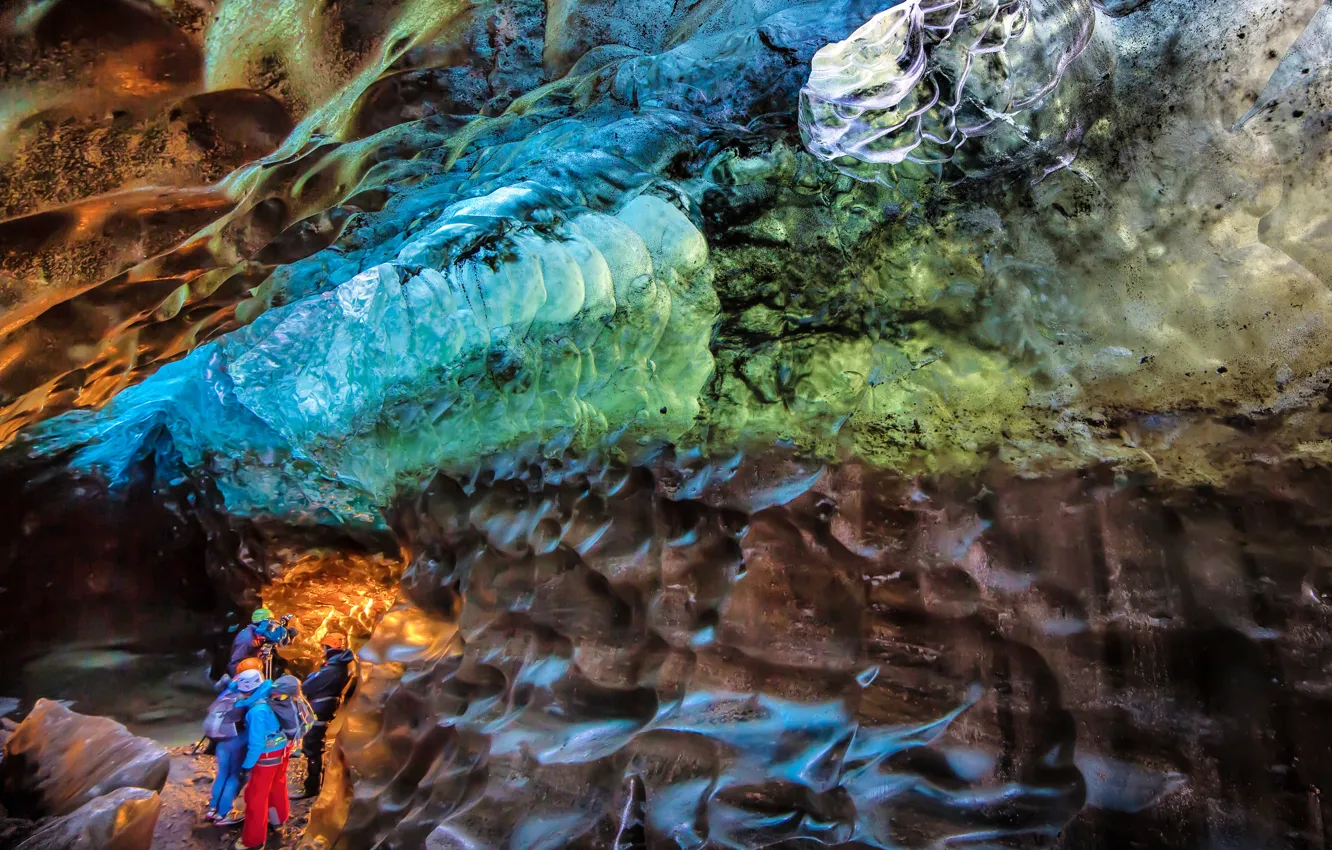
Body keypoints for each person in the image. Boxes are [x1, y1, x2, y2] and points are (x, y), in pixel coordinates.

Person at [292, 633, 356, 800]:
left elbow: (308, 685)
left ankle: (312, 786)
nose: (322, 650)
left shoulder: (334, 668)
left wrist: (311, 678)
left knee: (313, 746)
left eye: (324, 647)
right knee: (314, 743)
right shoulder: (339, 664)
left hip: (321, 709)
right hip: (324, 707)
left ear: (329, 648)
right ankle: (315, 782)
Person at [233, 673, 291, 849]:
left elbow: (256, 743)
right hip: (283, 749)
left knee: (256, 796)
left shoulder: (256, 711)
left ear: (246, 690)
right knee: (277, 786)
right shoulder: (270, 695)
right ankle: (278, 821)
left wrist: (247, 765)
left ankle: (254, 840)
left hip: (267, 757)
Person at [204, 659, 264, 823]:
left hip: (220, 738)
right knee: (234, 776)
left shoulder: (230, 688)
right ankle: (224, 813)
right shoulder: (248, 696)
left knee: (222, 774)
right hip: (234, 739)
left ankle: (213, 809)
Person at [228, 608, 297, 676]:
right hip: (247, 674)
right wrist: (239, 680)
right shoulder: (246, 639)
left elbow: (279, 641)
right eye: (270, 622)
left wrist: (289, 635)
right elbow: (233, 663)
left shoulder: (261, 634)